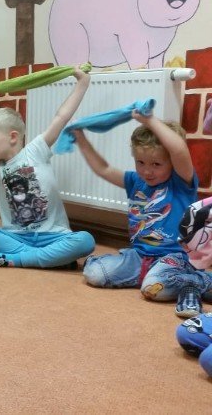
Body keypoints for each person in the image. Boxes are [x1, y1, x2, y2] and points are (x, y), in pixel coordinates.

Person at [73, 113, 200, 316]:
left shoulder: (181, 182)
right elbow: (103, 169)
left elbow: (178, 149)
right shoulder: (135, 181)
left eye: (156, 164)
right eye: (140, 162)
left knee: (153, 287)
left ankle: (196, 282)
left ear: (172, 163)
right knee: (93, 274)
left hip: (174, 257)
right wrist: (81, 138)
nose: (147, 171)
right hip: (139, 256)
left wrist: (148, 120)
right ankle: (148, 275)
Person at [0, 65, 95, 267]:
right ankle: (48, 259)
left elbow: (61, 117)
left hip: (53, 235)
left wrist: (82, 82)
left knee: (85, 241)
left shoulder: (35, 151)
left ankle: (18, 259)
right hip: (17, 236)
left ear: (13, 137)